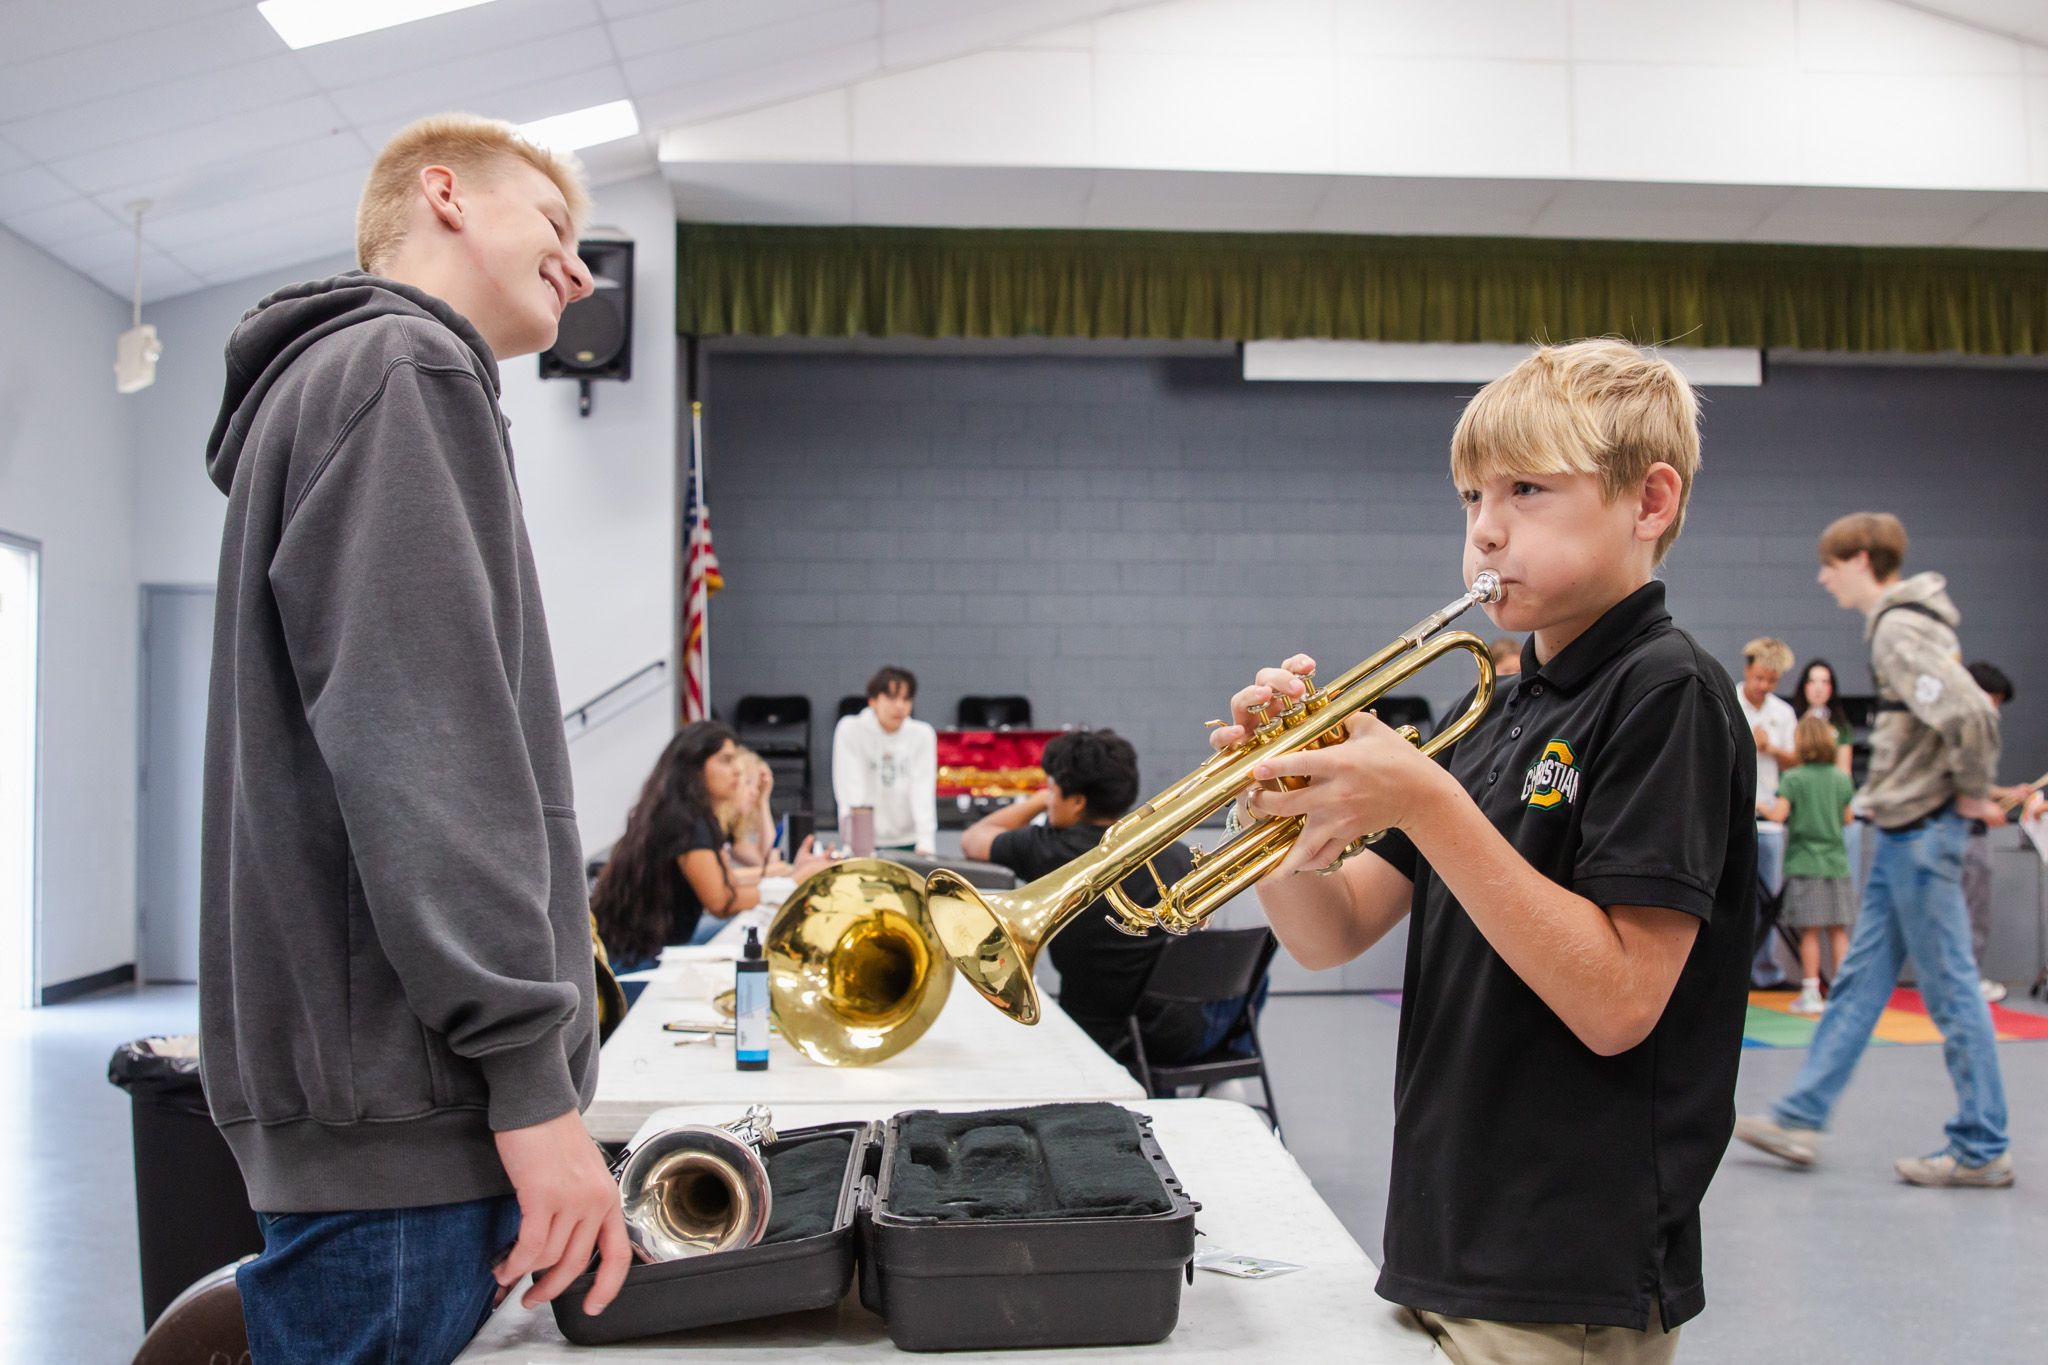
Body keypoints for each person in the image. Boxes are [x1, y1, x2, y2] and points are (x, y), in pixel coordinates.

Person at [1215, 340, 1752, 1361]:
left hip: (1561, 1270)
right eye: (1468, 497)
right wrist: (1274, 813)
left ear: (1647, 503)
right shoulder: (1505, 706)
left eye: (1524, 490)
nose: (1484, 531)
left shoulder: (1664, 691)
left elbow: (1616, 1004)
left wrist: (1424, 801)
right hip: (1444, 1235)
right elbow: (1332, 932)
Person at [198, 114, 630, 1362]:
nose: (581, 271)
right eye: (557, 228)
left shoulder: (344, 381)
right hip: (413, 1105)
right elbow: (428, 762)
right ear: (444, 194)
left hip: (376, 1095)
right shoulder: (401, 370)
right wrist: (529, 1084)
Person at [1736, 512, 2012, 1188]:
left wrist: (1973, 793)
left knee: (1950, 988)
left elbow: (1971, 714)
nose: (1824, 578)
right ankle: (1801, 1113)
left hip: (1921, 833)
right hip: (1899, 833)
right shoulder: (1909, 624)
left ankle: (1981, 1143)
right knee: (1857, 982)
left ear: (1862, 559)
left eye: (1831, 564)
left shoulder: (1897, 628)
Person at [959, 730, 1261, 1068]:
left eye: (1053, 790)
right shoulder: (1177, 855)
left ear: (1076, 801)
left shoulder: (1048, 848)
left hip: (1096, 1035)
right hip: (1181, 1031)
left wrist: (1035, 801)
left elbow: (973, 839)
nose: (1049, 800)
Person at [593, 723, 825, 967]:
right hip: (634, 959)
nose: (737, 771)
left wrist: (792, 874)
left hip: (650, 945)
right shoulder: (684, 821)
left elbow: (728, 881)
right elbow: (722, 902)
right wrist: (794, 882)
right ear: (694, 767)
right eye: (726, 761)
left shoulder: (691, 815)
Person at [1762, 716, 1859, 1016]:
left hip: (1805, 864)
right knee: (1838, 931)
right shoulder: (1841, 778)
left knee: (1810, 933)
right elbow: (1848, 818)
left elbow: (1779, 815)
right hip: (1836, 864)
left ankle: (1810, 991)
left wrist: (1760, 804)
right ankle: (1842, 991)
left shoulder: (1793, 779)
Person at [1963, 662, 2030, 1002]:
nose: (1995, 709)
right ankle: (1967, 979)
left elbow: (1975, 786)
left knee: (1963, 911)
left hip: (1958, 829)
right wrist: (1983, 806)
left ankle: (1960, 979)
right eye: (1994, 699)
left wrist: (2004, 794)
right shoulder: (1966, 728)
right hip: (1964, 833)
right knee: (1973, 910)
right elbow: (1960, 784)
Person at [1740, 638, 1800, 986]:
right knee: (1735, 895)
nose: (1764, 686)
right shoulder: (1727, 699)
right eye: (1760, 677)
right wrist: (1749, 739)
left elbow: (1795, 761)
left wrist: (1771, 746)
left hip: (1771, 819)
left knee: (1770, 900)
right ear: (1748, 669)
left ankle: (1765, 972)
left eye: (1772, 680)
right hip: (1737, 815)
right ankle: (1731, 973)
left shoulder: (1783, 713)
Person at [833, 665, 937, 854]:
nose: (899, 706)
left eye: (906, 699)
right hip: (866, 842)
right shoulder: (851, 729)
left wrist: (926, 841)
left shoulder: (923, 734)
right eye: (891, 698)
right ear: (873, 701)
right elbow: (849, 789)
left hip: (909, 841)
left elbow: (922, 789)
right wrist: (854, 844)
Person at [1789, 657, 1854, 773]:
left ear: (1831, 688)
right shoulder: (1791, 721)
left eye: (1825, 682)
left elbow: (1844, 771)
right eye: (1812, 681)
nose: (1818, 688)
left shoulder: (1842, 727)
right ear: (1804, 686)